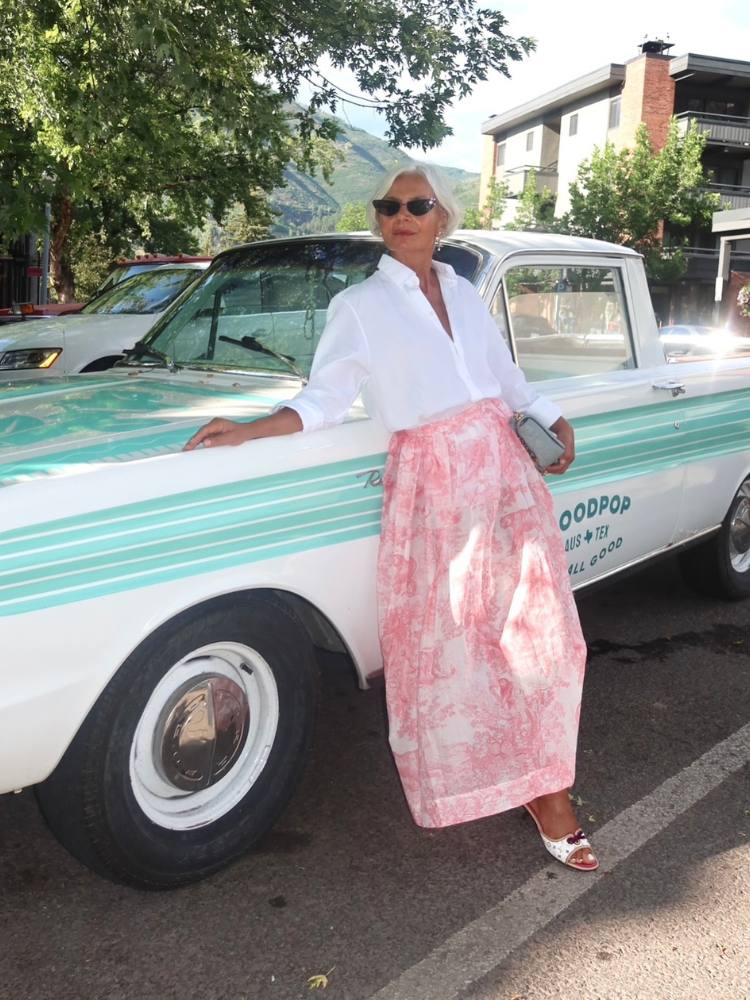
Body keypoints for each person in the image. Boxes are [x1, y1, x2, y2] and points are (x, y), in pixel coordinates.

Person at [185, 165, 597, 871]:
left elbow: (507, 380)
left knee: (546, 637)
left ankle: (548, 788)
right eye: (388, 206)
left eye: (416, 205)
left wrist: (552, 420)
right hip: (436, 488)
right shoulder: (361, 306)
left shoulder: (466, 293)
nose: (400, 215)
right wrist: (254, 430)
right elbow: (325, 397)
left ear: (443, 217)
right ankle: (497, 784)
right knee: (457, 652)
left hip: (504, 473)